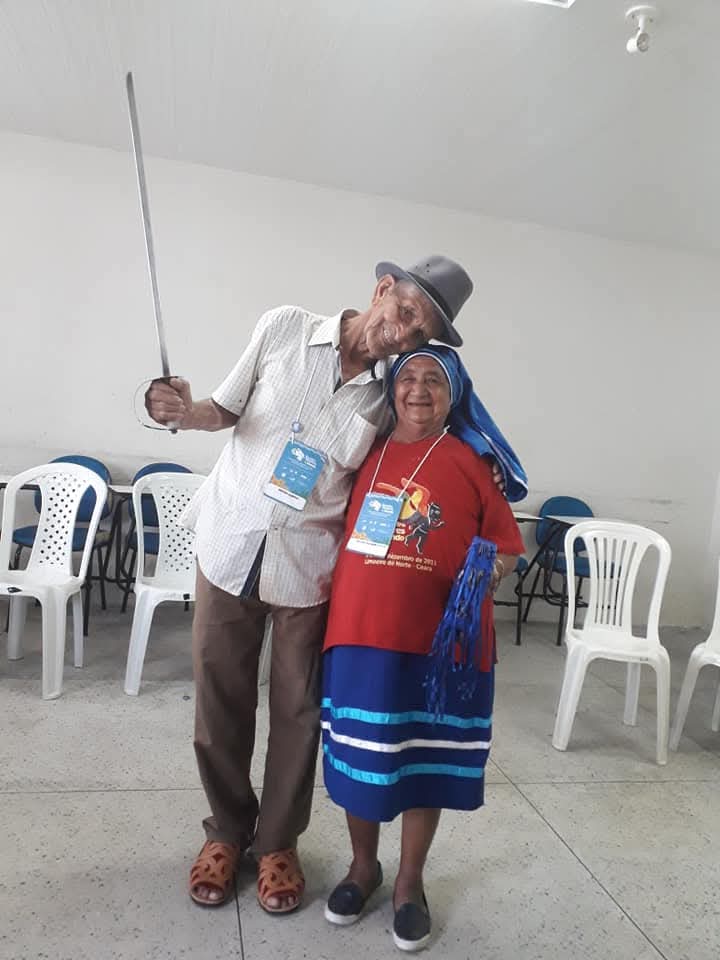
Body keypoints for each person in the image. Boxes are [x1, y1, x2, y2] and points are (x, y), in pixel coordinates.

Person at [144, 255, 508, 914]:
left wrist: (487, 465)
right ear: (383, 289)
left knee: (299, 711)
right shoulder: (284, 327)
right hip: (230, 543)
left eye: (420, 332)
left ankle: (277, 844)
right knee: (220, 702)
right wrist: (178, 409)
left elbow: (428, 438)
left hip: (309, 568)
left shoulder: (388, 391)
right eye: (405, 312)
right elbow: (220, 410)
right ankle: (226, 832)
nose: (404, 333)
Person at [321, 345, 526, 951]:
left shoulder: (471, 462)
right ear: (392, 391)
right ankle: (363, 869)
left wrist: (485, 576)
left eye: (433, 379)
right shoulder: (365, 451)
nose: (417, 389)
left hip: (439, 649)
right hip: (361, 634)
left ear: (453, 395)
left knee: (421, 765)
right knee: (363, 759)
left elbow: (508, 548)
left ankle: (409, 884)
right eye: (407, 377)